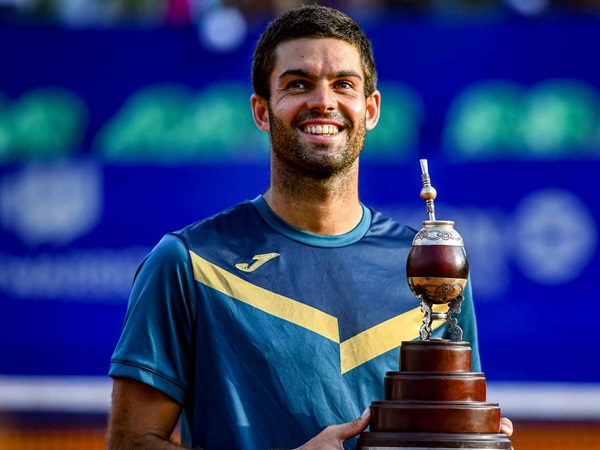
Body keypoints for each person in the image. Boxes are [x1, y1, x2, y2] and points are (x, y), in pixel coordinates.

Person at [107, 5, 513, 449]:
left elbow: (445, 424)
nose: (323, 101)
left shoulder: (434, 271)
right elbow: (131, 442)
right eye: (298, 84)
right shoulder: (187, 262)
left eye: (343, 84)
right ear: (262, 112)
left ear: (371, 109)